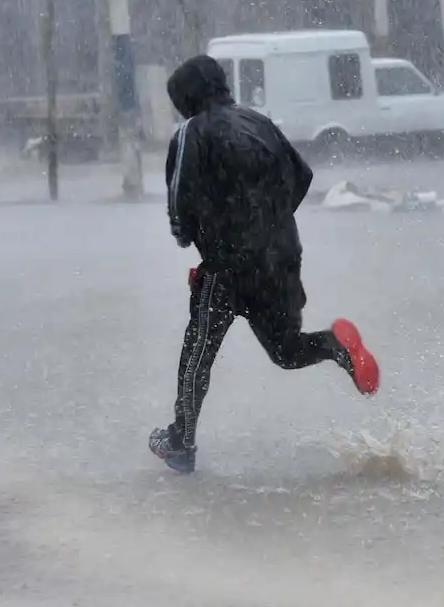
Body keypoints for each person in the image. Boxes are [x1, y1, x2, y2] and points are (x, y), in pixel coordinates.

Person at [149, 55, 379, 474]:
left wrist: (193, 238)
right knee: (286, 349)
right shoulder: (259, 122)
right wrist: (269, 228)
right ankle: (335, 346)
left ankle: (181, 442)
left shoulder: (191, 132)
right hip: (280, 257)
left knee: (198, 350)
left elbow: (180, 200)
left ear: (186, 97)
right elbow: (302, 176)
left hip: (226, 265)